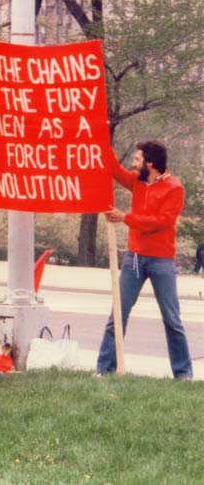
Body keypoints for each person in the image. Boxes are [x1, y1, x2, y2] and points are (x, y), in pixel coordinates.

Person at [96, 141, 193, 380]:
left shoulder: (174, 187)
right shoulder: (137, 182)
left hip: (162, 261)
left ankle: (183, 374)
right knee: (118, 314)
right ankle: (104, 369)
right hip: (134, 259)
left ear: (150, 163)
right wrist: (100, 135)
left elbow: (162, 222)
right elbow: (114, 169)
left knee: (172, 319)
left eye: (137, 160)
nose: (133, 164)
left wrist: (125, 217)